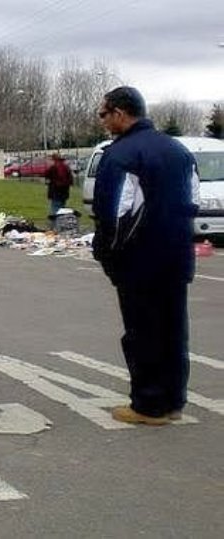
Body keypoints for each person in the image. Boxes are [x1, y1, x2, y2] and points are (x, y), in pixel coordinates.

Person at [92, 86, 199, 426]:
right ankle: (173, 399)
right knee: (173, 330)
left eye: (104, 114)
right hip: (177, 256)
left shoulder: (122, 154)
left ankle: (149, 404)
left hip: (139, 260)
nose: (103, 121)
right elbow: (192, 203)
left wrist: (108, 254)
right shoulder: (179, 151)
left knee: (142, 332)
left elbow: (115, 213)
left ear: (120, 113)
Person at [44, 153, 73, 219]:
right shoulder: (66, 167)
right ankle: (62, 222)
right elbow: (70, 179)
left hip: (55, 191)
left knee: (55, 208)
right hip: (64, 191)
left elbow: (46, 174)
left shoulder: (53, 167)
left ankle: (55, 224)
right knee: (62, 208)